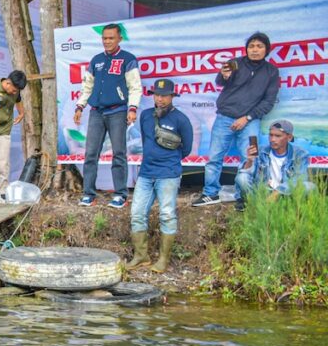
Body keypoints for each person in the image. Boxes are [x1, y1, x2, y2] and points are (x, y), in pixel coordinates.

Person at [192, 32, 281, 207]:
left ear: (267, 50)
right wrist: (224, 75)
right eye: (251, 46)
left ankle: (244, 196)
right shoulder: (235, 63)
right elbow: (220, 81)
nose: (255, 50)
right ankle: (211, 193)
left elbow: (268, 102)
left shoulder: (271, 71)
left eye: (259, 46)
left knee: (250, 157)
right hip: (224, 117)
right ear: (246, 49)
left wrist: (246, 118)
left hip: (251, 121)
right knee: (214, 158)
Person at [126, 79, 193, 273]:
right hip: (146, 173)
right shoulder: (146, 116)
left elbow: (186, 149)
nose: (160, 99)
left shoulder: (181, 119)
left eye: (164, 95)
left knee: (167, 214)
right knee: (137, 214)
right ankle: (141, 256)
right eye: (157, 95)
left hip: (168, 174)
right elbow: (147, 141)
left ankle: (163, 260)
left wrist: (168, 160)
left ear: (172, 96)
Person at [74, 23, 142, 209]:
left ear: (119, 38)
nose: (107, 41)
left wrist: (132, 108)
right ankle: (89, 193)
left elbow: (135, 87)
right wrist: (80, 106)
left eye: (111, 38)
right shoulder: (96, 60)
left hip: (118, 112)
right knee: (90, 154)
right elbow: (87, 86)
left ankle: (120, 194)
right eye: (104, 38)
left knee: (119, 154)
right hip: (96, 112)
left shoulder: (128, 59)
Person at [234, 119, 311, 209]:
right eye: (271, 135)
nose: (273, 139)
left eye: (278, 136)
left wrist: (277, 192)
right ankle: (257, 205)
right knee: (241, 177)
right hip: (263, 192)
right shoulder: (261, 150)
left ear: (289, 137)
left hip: (284, 193)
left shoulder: (300, 154)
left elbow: (299, 178)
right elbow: (246, 175)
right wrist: (250, 160)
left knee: (309, 186)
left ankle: (284, 205)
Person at [0, 70, 26, 193]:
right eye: (14, 90)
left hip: (4, 130)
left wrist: (21, 113)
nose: (15, 93)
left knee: (3, 163)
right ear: (8, 83)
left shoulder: (16, 91)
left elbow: (18, 100)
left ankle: (3, 192)